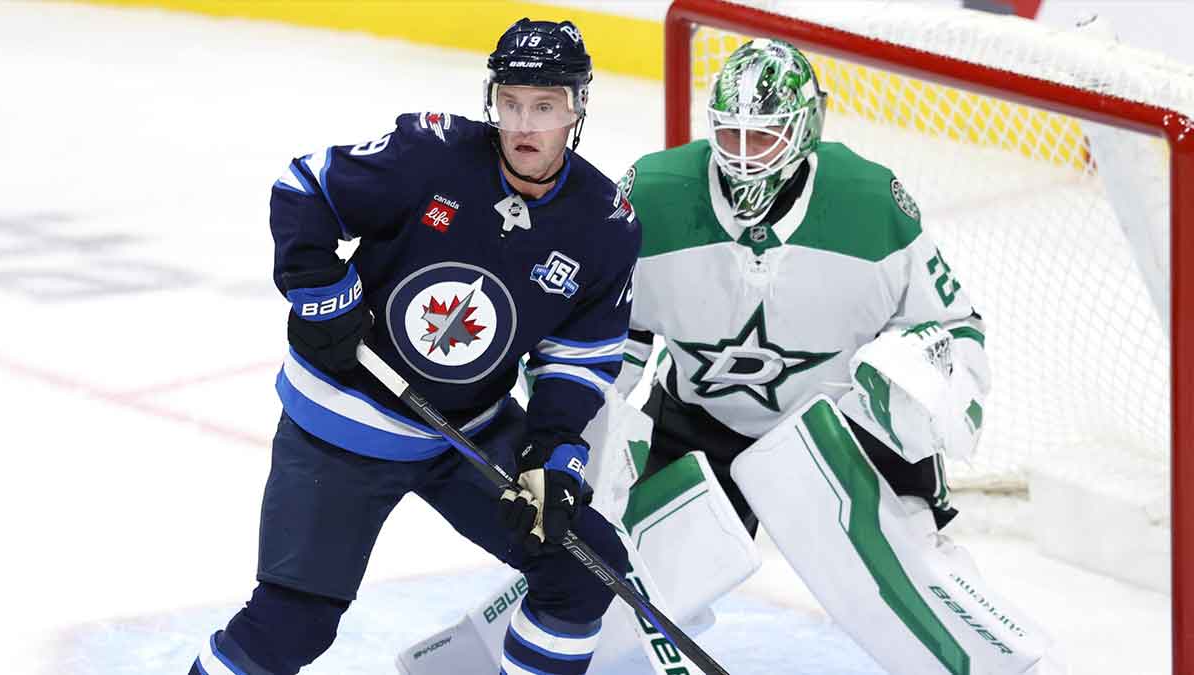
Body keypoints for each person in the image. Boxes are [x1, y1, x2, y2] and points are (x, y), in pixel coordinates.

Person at [401, 39, 1069, 675]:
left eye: (764, 136)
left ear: (806, 130)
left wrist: (909, 397)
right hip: (700, 423)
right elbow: (605, 335)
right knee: (605, 569)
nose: (744, 156)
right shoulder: (655, 196)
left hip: (842, 434)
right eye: (731, 134)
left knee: (905, 585)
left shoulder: (872, 206)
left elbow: (953, 326)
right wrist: (579, 442)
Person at [188, 18, 637, 675]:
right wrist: (322, 296)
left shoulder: (604, 223)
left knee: (583, 566)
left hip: (465, 431)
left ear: (577, 109)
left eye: (544, 107)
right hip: (345, 420)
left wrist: (552, 455)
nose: (522, 126)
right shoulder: (430, 153)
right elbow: (305, 189)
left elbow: (578, 358)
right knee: (293, 623)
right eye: (510, 102)